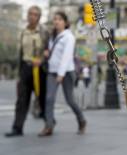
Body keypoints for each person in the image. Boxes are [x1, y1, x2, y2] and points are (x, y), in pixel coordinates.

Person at [38, 11, 86, 136]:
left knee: (70, 100)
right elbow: (54, 53)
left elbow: (66, 56)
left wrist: (61, 74)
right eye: (54, 19)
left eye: (59, 19)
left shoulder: (69, 37)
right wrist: (47, 53)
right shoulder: (53, 36)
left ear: (65, 22)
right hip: (52, 71)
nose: (56, 21)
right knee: (49, 99)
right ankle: (49, 125)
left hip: (66, 72)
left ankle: (81, 120)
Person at [5, 6, 49, 137]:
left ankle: (49, 124)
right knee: (21, 99)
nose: (31, 16)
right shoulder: (23, 32)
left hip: (39, 69)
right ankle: (17, 128)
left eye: (35, 14)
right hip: (25, 68)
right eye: (30, 14)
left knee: (42, 99)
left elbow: (48, 51)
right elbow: (21, 52)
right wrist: (20, 73)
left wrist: (41, 60)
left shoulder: (44, 32)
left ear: (39, 17)